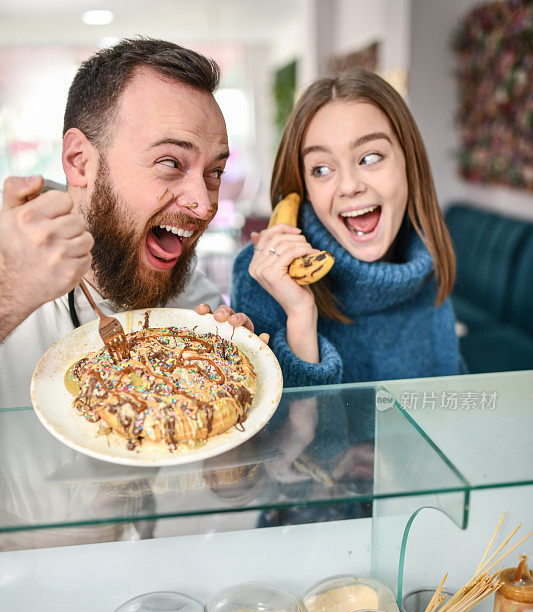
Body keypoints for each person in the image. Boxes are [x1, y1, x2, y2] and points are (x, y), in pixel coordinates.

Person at [0, 38, 264, 408]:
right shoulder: (7, 261)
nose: (204, 206)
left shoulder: (194, 305)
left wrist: (227, 398)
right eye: (171, 163)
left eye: (214, 171)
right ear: (80, 162)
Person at [231, 70, 463, 387]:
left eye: (369, 158)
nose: (350, 186)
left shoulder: (428, 260)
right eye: (322, 169)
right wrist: (300, 315)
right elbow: (286, 435)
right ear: (305, 187)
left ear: (408, 163)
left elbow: (452, 394)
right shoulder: (262, 276)